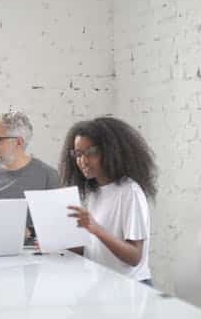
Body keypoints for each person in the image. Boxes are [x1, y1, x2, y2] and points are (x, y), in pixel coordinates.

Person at [61, 117, 157, 285]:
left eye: (91, 152)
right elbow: (96, 249)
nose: (83, 161)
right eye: (78, 154)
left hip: (131, 288)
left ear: (111, 152)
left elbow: (134, 257)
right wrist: (57, 242)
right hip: (104, 285)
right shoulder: (94, 191)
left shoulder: (129, 192)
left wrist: (96, 229)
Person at [0, 111, 60, 241]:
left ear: (19, 142)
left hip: (34, 256)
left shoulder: (49, 177)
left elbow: (60, 228)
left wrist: (30, 231)